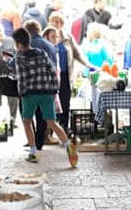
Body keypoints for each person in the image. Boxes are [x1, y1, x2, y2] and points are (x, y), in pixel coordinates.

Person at [11, 27, 77, 166]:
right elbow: (53, 71)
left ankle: (33, 152)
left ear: (18, 44)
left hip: (30, 93)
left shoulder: (19, 57)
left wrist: (21, 94)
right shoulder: (42, 53)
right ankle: (68, 146)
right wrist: (54, 90)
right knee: (51, 122)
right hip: (47, 92)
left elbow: (22, 79)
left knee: (27, 121)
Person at [45, 14, 91, 131]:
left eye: (59, 22)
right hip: (50, 77)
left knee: (65, 102)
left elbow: (77, 53)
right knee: (50, 103)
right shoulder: (45, 37)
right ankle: (50, 130)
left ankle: (64, 127)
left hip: (65, 75)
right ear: (49, 22)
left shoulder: (67, 37)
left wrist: (88, 65)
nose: (56, 24)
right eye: (54, 21)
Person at [25, 20, 57, 151]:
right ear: (38, 30)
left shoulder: (27, 44)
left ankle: (31, 141)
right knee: (43, 115)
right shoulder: (49, 45)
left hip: (30, 86)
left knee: (27, 116)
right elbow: (54, 66)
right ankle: (40, 141)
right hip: (46, 86)